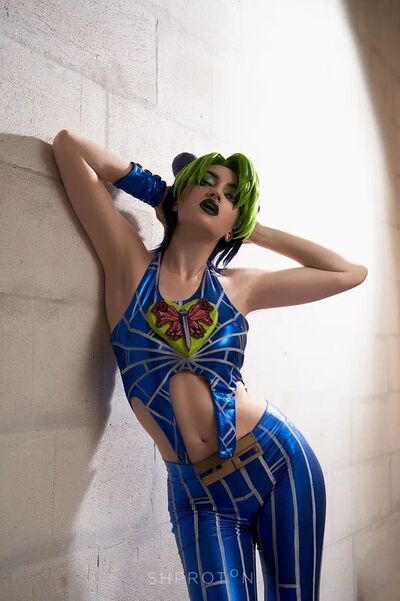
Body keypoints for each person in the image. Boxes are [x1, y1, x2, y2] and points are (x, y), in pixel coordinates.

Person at [52, 132, 368, 600]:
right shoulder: (129, 267)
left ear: (233, 226)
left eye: (232, 196)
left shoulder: (241, 286)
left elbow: (349, 273)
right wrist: (159, 192)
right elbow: (68, 147)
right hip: (199, 497)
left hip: (277, 462)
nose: (217, 194)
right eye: (207, 182)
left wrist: (252, 227)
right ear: (182, 196)